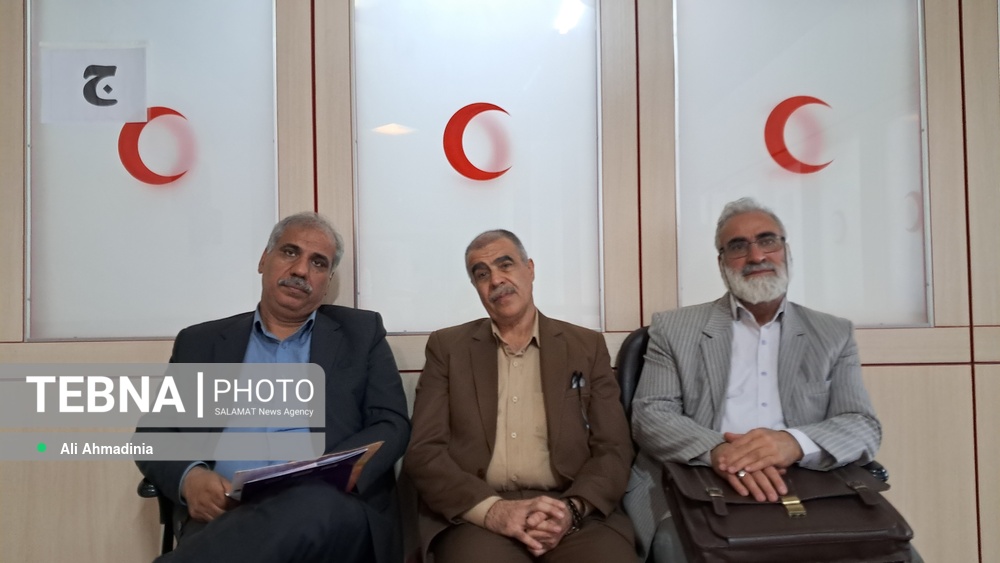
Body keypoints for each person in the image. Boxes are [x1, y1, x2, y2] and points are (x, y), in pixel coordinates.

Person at [136, 212, 411, 563]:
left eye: (318, 263)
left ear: (327, 281)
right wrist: (189, 478)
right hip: (225, 513)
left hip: (330, 510)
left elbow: (391, 422)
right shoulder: (202, 343)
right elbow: (154, 432)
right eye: (290, 252)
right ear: (263, 260)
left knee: (312, 501)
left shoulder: (361, 334)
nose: (301, 270)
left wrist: (335, 469)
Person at [623, 198, 882, 562]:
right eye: (738, 246)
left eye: (767, 240)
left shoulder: (832, 333)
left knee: (897, 549)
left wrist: (792, 442)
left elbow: (862, 425)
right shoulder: (674, 328)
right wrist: (720, 452)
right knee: (677, 549)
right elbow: (651, 415)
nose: (756, 256)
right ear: (721, 263)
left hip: (806, 481)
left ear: (786, 251)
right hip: (699, 478)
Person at [404, 230, 635, 563]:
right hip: (479, 513)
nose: (496, 280)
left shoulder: (585, 346)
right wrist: (494, 511)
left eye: (505, 264)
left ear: (530, 269)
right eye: (481, 274)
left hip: (572, 509)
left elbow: (614, 447)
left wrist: (571, 509)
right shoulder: (448, 348)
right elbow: (424, 452)